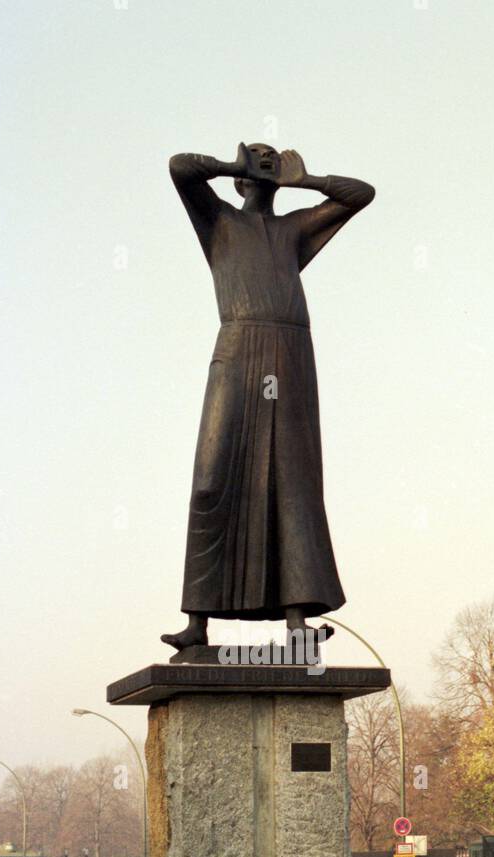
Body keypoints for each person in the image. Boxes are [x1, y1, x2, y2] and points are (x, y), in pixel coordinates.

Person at [162, 142, 374, 651]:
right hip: (237, 346)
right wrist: (234, 166)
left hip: (289, 351)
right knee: (212, 480)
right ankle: (198, 622)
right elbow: (180, 168)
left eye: (267, 161)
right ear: (239, 179)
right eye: (255, 163)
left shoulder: (293, 230)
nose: (261, 169)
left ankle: (297, 623)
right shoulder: (218, 223)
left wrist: (307, 179)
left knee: (292, 479)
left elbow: (361, 195)